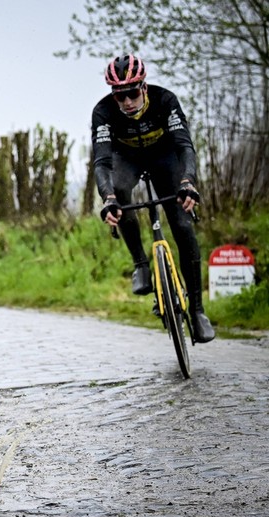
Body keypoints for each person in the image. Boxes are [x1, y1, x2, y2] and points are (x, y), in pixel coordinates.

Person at [92, 54, 215, 343]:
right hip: (128, 159)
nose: (126, 102)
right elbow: (102, 162)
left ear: (144, 88)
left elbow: (185, 146)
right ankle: (141, 265)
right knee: (119, 193)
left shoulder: (165, 100)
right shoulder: (103, 112)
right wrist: (108, 199)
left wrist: (188, 182)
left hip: (165, 158)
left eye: (132, 93)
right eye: (119, 96)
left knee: (183, 226)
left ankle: (197, 312)